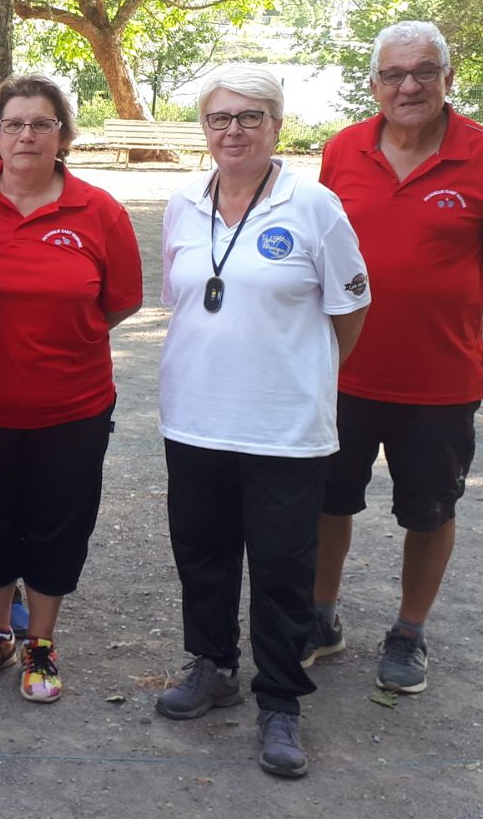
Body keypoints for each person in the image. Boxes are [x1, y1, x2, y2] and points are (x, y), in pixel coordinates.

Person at [153, 67, 370, 779]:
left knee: (282, 570)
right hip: (195, 419)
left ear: (277, 125)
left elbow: (350, 313)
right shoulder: (183, 203)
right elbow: (182, 300)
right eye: (220, 119)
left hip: (284, 427)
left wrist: (294, 373)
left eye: (250, 117)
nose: (234, 131)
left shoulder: (316, 207)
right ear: (204, 129)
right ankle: (212, 666)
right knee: (203, 557)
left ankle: (280, 702)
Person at [313, 21, 483, 694]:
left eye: (425, 71)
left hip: (441, 378)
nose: (410, 86)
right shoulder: (343, 150)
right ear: (375, 84)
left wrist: (436, 299)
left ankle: (409, 630)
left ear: (448, 77)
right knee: (328, 500)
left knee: (429, 510)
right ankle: (320, 617)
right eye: (395, 74)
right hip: (343, 371)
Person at [0, 75, 142, 703]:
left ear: (63, 135)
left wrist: (60, 341)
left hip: (73, 407)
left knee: (59, 524)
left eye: (42, 124)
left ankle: (42, 642)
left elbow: (119, 301)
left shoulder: (98, 209)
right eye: (13, 123)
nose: (27, 134)